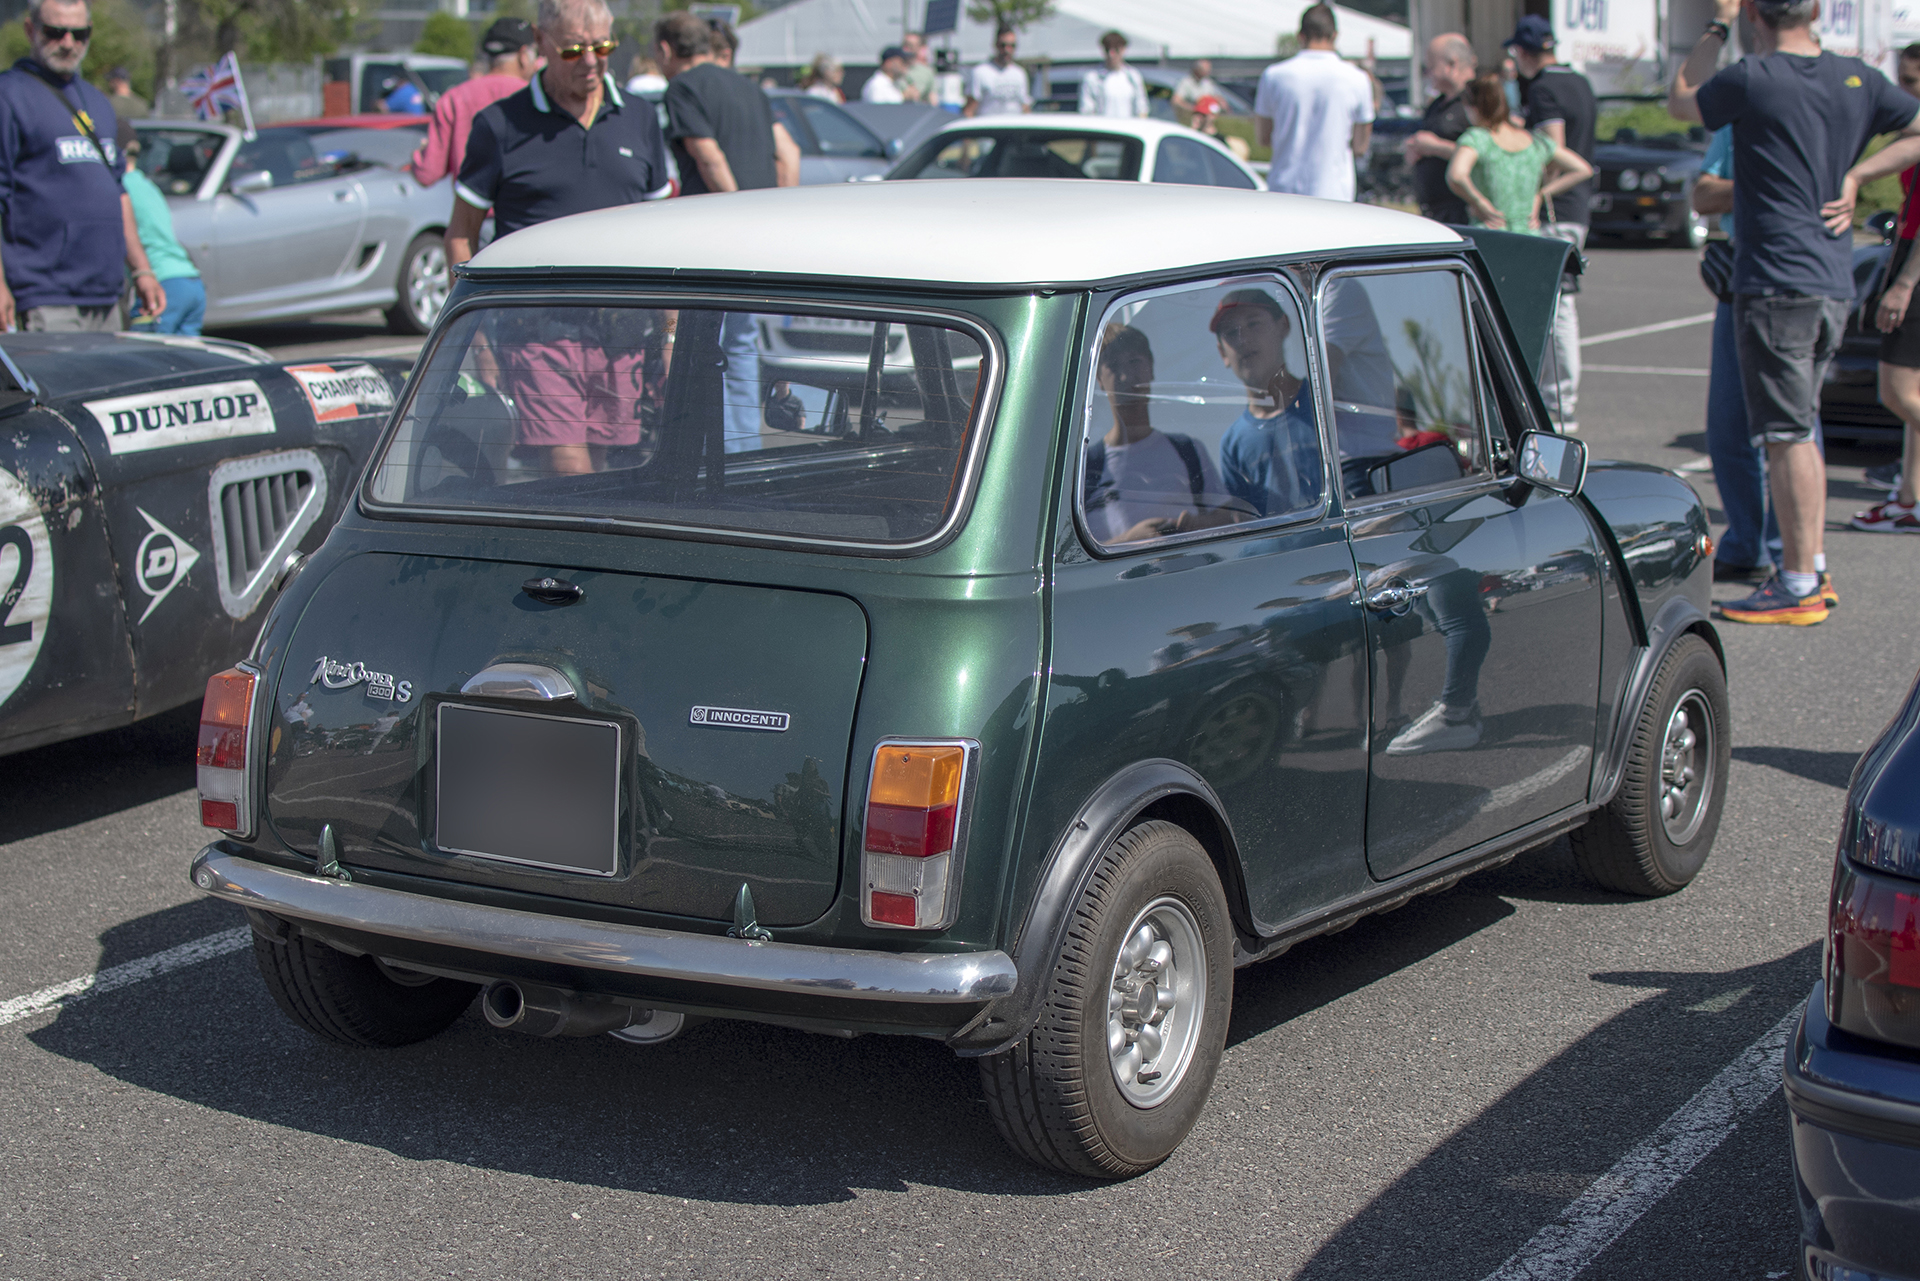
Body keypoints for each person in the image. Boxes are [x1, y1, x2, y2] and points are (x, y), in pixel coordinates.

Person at [1670, 0, 1920, 624]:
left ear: (1755, 12)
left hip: (1777, 278)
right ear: (1814, 10)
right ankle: (1811, 565)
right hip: (1832, 278)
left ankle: (1799, 582)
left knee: (1784, 435)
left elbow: (1682, 98)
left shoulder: (1753, 76)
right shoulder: (1855, 76)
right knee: (1801, 427)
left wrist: (1717, 24)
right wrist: (1860, 173)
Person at [450, 0, 673, 476]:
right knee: (566, 461)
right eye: (573, 50)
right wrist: (478, 342)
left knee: (604, 463)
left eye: (602, 47)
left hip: (623, 329)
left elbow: (664, 233)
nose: (590, 62)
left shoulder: (638, 118)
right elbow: (460, 234)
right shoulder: (499, 125)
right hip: (538, 330)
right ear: (540, 42)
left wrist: (672, 332)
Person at [656, 10, 799, 454]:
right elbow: (789, 153)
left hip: (712, 233)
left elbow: (708, 156)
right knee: (740, 342)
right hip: (755, 233)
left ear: (665, 50)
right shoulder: (752, 89)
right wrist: (776, 214)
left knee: (701, 344)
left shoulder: (682, 88)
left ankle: (702, 453)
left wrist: (735, 208)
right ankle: (741, 450)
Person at [0, 0, 166, 331]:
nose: (68, 43)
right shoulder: (10, 94)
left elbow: (119, 193)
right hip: (45, 296)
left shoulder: (97, 101)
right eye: (55, 32)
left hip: (107, 295)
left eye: (80, 34)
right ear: (31, 31)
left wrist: (142, 270)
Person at [1693, 125, 1786, 577]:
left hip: (1791, 278)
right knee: (1727, 429)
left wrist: (1755, 185)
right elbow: (1704, 195)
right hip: (1739, 273)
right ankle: (1749, 546)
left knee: (1788, 431)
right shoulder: (1738, 117)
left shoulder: (1820, 103)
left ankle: (1793, 561)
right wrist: (1769, 182)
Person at [1509, 16, 1596, 432]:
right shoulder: (1579, 81)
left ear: (1525, 53)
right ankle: (1560, 398)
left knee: (1558, 305)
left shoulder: (1544, 88)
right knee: (1563, 303)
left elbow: (1552, 148)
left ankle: (1561, 402)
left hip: (1557, 209)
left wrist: (1538, 192)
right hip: (1577, 208)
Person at [1854, 44, 1920, 534]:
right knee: (1911, 393)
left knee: (1897, 392)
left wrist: (1902, 284)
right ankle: (1909, 498)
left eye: (1914, 82)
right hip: (1906, 259)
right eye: (1903, 79)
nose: (1905, 91)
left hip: (1914, 269)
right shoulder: (1909, 137)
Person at [1082, 323, 1226, 543]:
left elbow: (1231, 520)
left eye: (1134, 362)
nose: (1125, 377)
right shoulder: (1086, 468)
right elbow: (1070, 556)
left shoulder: (1188, 450)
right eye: (1113, 366)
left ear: (1151, 369)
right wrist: (1131, 540)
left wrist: (1196, 525)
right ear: (1099, 380)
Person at [1214, 289, 1325, 520]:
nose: (1243, 339)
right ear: (1222, 353)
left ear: (1283, 326)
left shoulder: (1323, 406)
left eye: (1254, 324)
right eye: (1231, 332)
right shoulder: (1233, 444)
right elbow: (1245, 526)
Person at [1445, 72, 1592, 233]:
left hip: (1491, 232)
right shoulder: (1534, 141)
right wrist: (1540, 195)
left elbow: (1456, 176)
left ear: (1473, 107)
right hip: (1528, 235)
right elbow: (1582, 169)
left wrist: (1478, 202)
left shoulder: (1478, 139)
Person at [1254, 4, 1374, 200]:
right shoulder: (1357, 78)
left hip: (1284, 190)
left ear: (1300, 35)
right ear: (1335, 35)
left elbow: (1263, 137)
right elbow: (1360, 146)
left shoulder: (1274, 76)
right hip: (1335, 194)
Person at [410, 18, 540, 188]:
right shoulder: (537, 97)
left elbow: (427, 173)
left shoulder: (453, 98)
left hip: (471, 210)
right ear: (523, 56)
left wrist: (419, 154)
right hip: (527, 209)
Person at [120, 133, 202, 334]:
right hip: (190, 281)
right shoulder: (148, 185)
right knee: (187, 360)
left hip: (162, 284)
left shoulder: (121, 188)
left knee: (145, 357)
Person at [1404, 33, 1477, 223]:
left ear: (1452, 64)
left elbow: (1486, 154)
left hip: (1461, 210)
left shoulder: (1474, 104)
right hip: (1433, 210)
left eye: (1430, 66)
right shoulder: (1437, 104)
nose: (1427, 73)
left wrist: (1435, 147)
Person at [965, 25, 1030, 117]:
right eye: (1003, 45)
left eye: (1012, 46)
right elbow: (969, 110)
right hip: (988, 129)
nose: (1007, 50)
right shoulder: (980, 72)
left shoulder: (1020, 74)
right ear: (995, 45)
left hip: (1013, 129)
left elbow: (1025, 108)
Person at [1079, 30, 1147, 119]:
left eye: (1116, 50)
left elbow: (1141, 109)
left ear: (1123, 50)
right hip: (1103, 130)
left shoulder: (1133, 76)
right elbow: (1087, 111)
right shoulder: (1093, 77)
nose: (1111, 55)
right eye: (1107, 50)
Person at [898, 32, 936, 104]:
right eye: (905, 44)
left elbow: (933, 99)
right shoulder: (893, 68)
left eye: (911, 45)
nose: (906, 48)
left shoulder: (926, 72)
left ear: (919, 47)